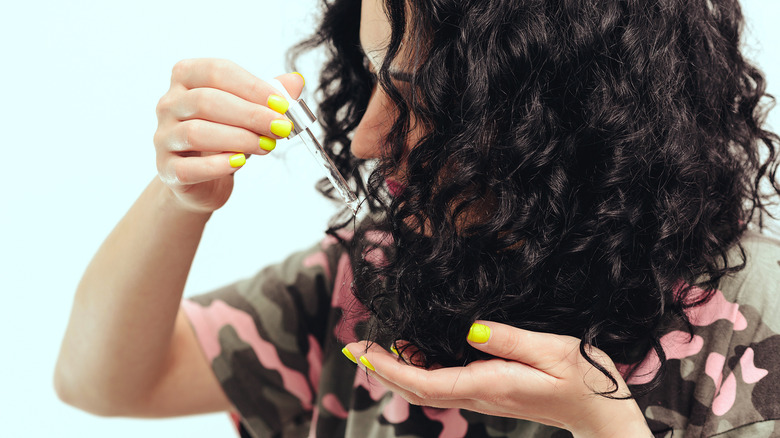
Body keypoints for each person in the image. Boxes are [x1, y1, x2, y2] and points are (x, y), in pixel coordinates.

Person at [55, 0, 780, 436]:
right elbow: (104, 382)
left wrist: (604, 427)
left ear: (569, 114)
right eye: (375, 74)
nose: (365, 139)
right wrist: (178, 199)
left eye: (425, 96)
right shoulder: (374, 275)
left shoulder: (754, 328)